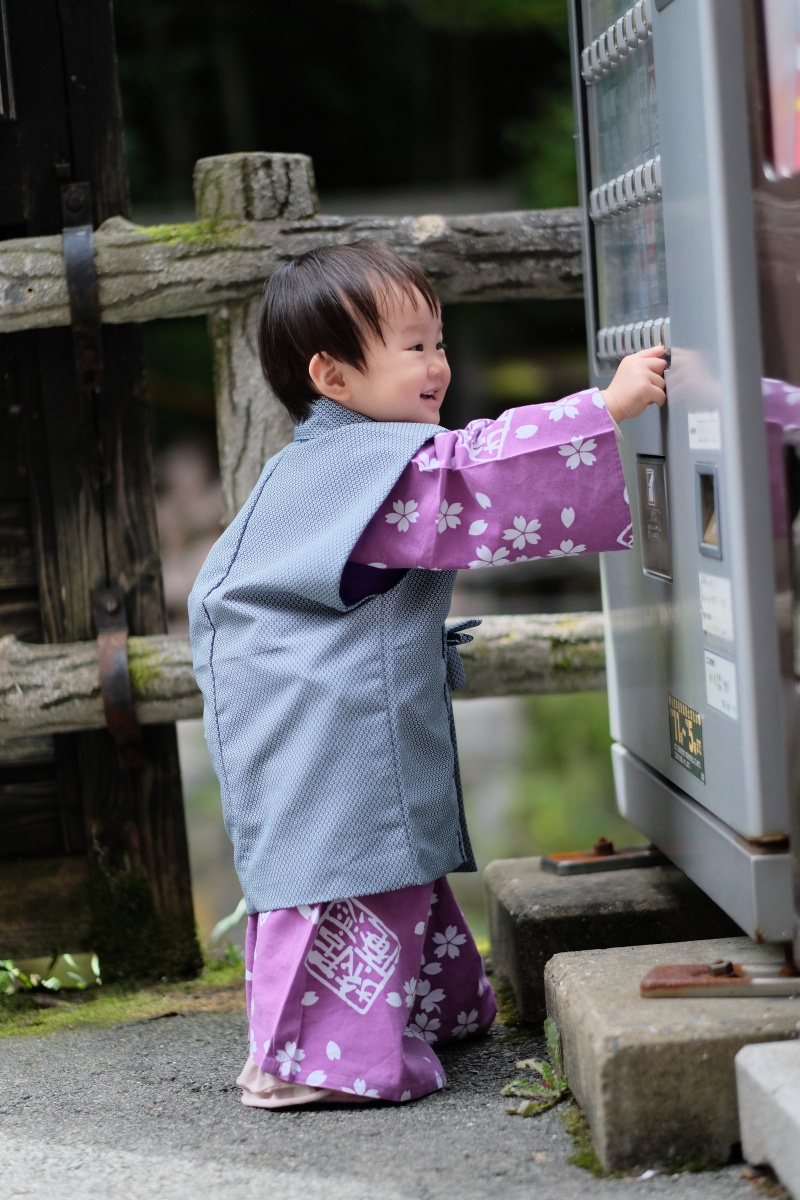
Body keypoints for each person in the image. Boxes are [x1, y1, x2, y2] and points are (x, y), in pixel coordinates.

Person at [188, 240, 667, 1110]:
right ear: (332, 377)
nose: (438, 364)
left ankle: (413, 1014)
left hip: (303, 696)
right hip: (316, 709)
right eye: (413, 346)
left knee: (375, 849)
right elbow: (479, 471)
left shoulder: (339, 463)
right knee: (346, 857)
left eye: (438, 341)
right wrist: (606, 407)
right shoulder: (374, 469)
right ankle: (303, 1062)